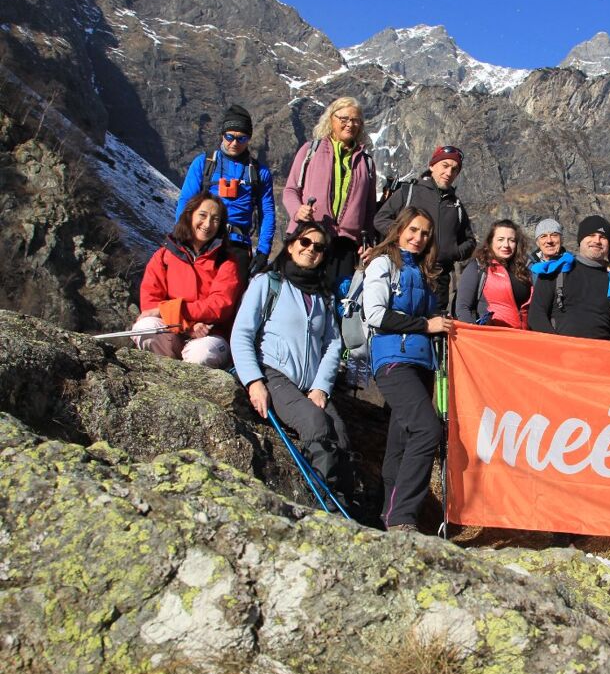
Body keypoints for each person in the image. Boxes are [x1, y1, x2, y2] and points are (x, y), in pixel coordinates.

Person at [230, 221, 353, 508]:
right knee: (315, 423)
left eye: (319, 248)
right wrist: (253, 381)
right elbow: (242, 333)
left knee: (342, 436)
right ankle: (325, 505)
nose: (311, 250)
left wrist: (321, 387)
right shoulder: (268, 283)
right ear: (291, 245)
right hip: (273, 373)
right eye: (305, 243)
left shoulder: (323, 296)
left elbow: (333, 344)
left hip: (309, 383)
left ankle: (346, 503)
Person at [362, 206, 453, 532]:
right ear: (399, 230)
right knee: (427, 430)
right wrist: (426, 326)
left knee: (400, 441)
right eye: (413, 230)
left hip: (422, 363)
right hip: (393, 360)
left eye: (425, 233)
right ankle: (403, 516)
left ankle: (390, 515)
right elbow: (375, 314)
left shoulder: (424, 273)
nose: (418, 238)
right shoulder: (383, 264)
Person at [132, 193, 242, 368]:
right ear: (190, 215)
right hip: (174, 330)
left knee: (201, 355)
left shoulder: (226, 262)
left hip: (211, 335)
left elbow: (219, 306)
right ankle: (165, 375)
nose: (207, 224)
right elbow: (150, 303)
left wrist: (172, 310)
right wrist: (187, 326)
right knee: (144, 327)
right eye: (203, 215)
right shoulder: (164, 256)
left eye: (215, 219)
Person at [283, 97, 377, 289]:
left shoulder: (366, 163)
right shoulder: (310, 151)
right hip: (309, 238)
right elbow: (291, 190)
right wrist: (297, 211)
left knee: (336, 303)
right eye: (344, 118)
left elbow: (369, 210)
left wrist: (367, 242)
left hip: (346, 246)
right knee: (299, 294)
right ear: (331, 119)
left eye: (355, 120)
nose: (350, 124)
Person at [176, 105, 276, 284]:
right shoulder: (203, 163)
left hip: (238, 246)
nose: (234, 143)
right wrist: (181, 235)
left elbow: (267, 213)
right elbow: (186, 200)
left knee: (230, 304)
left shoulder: (260, 173)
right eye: (229, 137)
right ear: (222, 135)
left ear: (249, 139)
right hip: (203, 241)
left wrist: (263, 251)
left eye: (241, 138)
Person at [374, 145, 475, 312]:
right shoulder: (409, 192)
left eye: (455, 169)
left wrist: (454, 252)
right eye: (445, 166)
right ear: (432, 166)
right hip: (404, 270)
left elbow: (469, 240)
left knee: (436, 327)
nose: (449, 173)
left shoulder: (456, 204)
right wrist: (404, 236)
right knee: (405, 318)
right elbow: (380, 219)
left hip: (439, 278)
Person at [527, 215, 610, 341]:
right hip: (559, 354)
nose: (597, 241)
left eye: (603, 237)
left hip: (601, 356)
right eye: (591, 235)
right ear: (580, 239)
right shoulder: (556, 269)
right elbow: (536, 315)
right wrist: (555, 346)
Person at [454, 219, 532, 328]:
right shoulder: (478, 267)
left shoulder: (525, 269)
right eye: (500, 239)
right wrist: (473, 333)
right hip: (491, 338)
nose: (506, 245)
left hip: (524, 337)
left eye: (511, 240)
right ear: (491, 241)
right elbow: (463, 308)